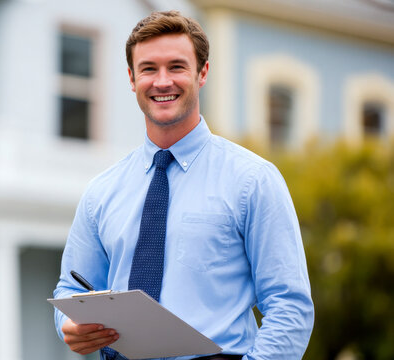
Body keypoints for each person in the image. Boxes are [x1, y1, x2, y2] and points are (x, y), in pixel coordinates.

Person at [52, 10, 314, 360]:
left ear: (202, 73)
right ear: (131, 78)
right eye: (148, 69)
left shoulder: (253, 180)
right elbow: (71, 288)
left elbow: (290, 307)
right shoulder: (101, 192)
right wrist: (68, 324)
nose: (162, 82)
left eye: (176, 67)